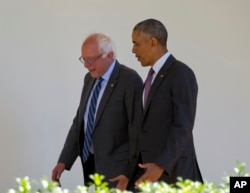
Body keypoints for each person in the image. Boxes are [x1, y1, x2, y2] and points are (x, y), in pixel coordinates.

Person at [52, 33, 143, 191]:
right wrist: (64, 160)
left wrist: (131, 172)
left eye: (91, 59)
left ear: (110, 55)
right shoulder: (89, 79)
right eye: (83, 59)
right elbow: (80, 122)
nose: (86, 65)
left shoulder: (129, 79)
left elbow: (137, 130)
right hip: (92, 165)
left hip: (119, 172)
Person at [131, 19, 203, 188]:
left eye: (136, 44)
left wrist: (161, 165)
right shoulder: (151, 77)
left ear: (153, 42)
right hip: (151, 176)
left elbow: (183, 125)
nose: (133, 50)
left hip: (175, 176)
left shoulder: (180, 73)